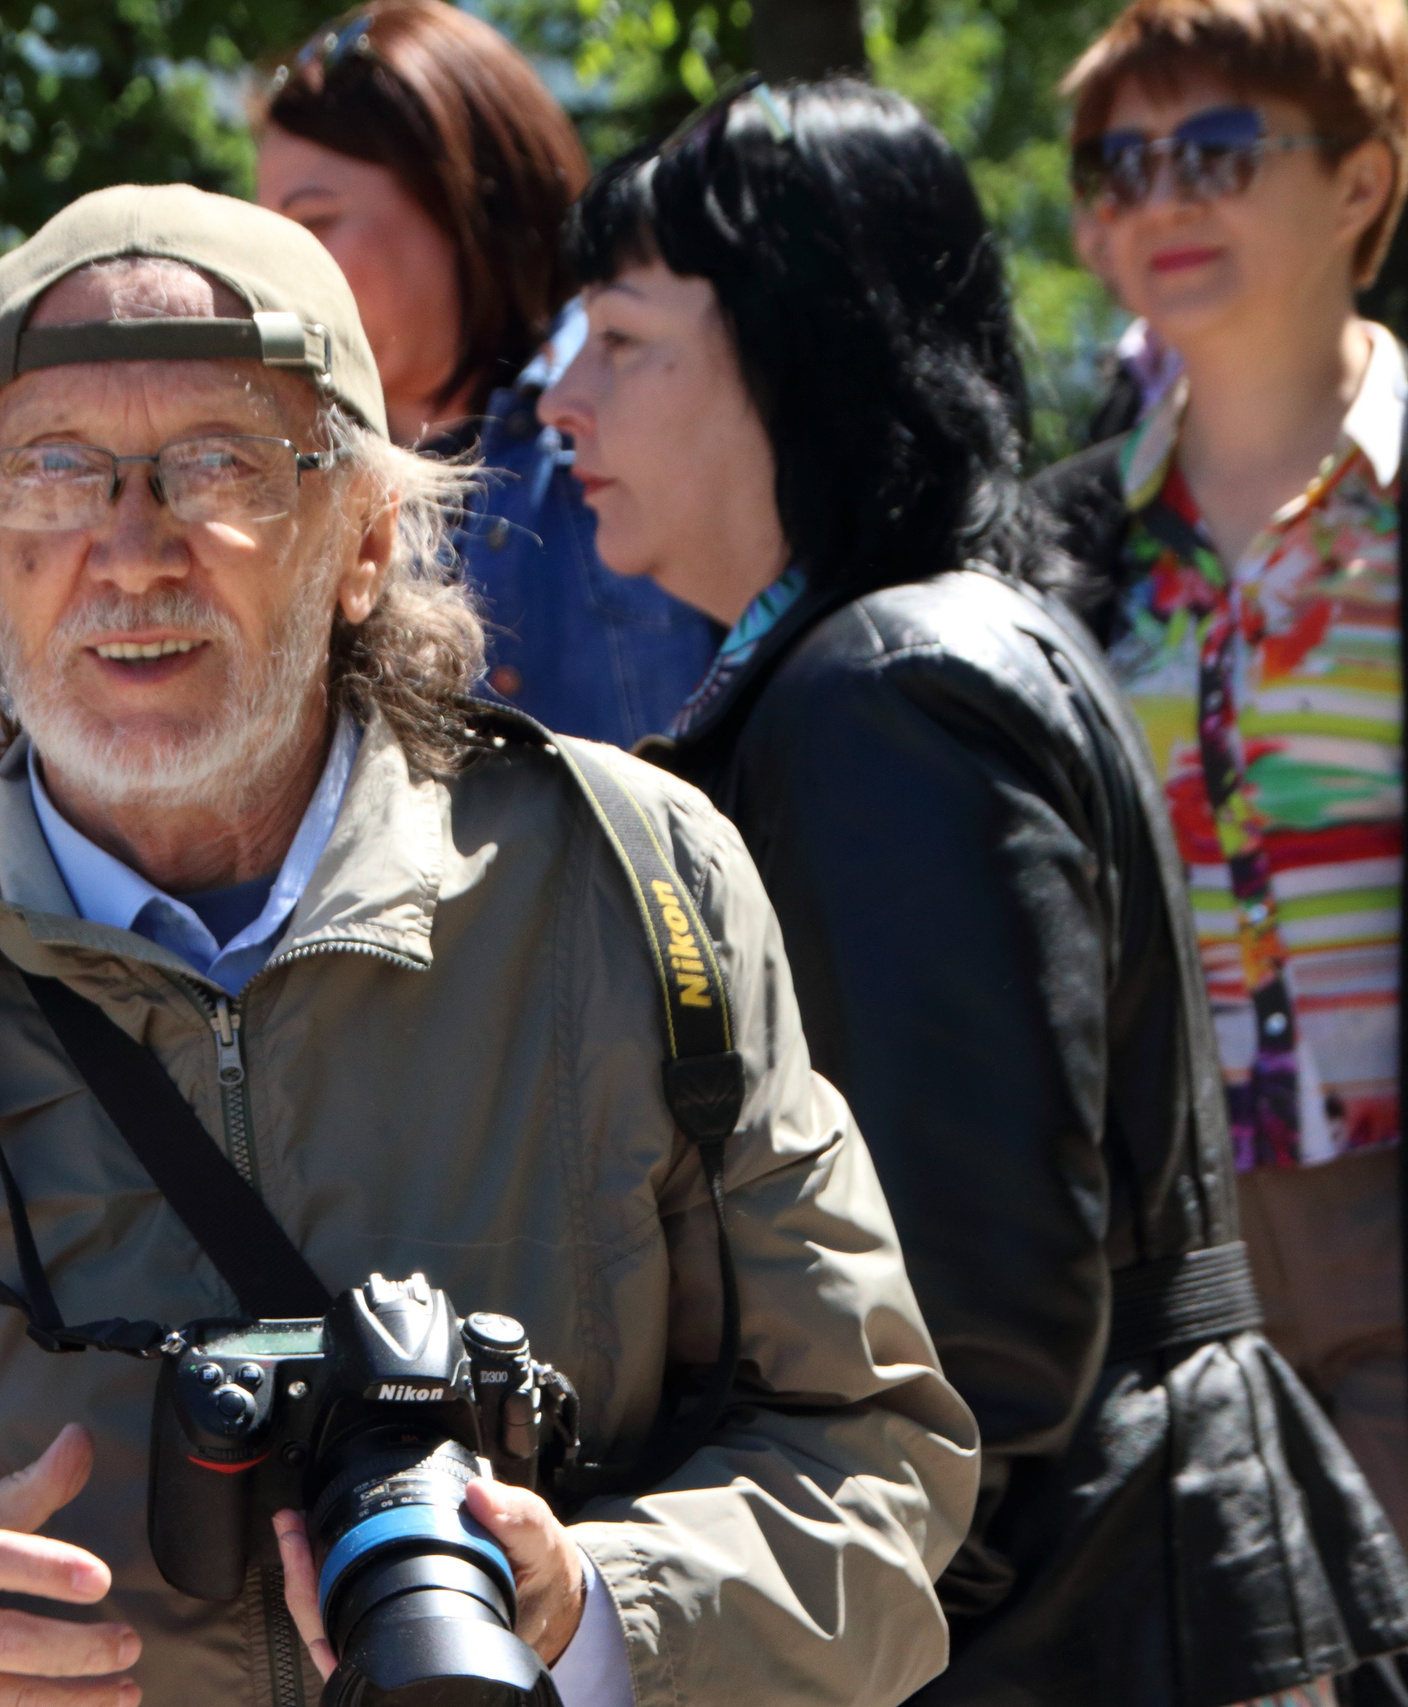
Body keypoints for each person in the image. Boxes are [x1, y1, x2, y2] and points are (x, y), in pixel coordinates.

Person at [0, 181, 979, 1707]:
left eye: (216, 463)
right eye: (53, 475)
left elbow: (876, 1460)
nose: (130, 547)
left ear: (364, 535)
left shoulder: (631, 885)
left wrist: (596, 1605)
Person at [549, 74, 1408, 1704]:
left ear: (792, 351)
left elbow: (978, 1342)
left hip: (1080, 1623)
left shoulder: (885, 692)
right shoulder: (897, 650)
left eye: (623, 340)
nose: (561, 402)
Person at [1042, 0, 1408, 1559]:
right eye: (1120, 166)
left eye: (1216, 149)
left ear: (1361, 182)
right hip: (1167, 1246)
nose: (1160, 199)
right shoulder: (1058, 543)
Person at [254, 0, 716, 744]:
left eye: (314, 220)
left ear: (463, 201)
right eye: (266, 232)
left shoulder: (654, 401)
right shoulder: (281, 476)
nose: (278, 268)